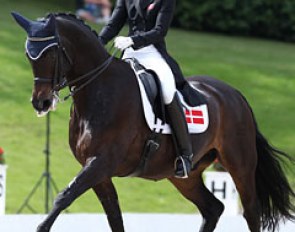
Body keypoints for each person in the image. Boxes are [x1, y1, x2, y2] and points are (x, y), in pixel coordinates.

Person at [98, 0, 192, 178]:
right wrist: (96, 43)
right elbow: (113, 25)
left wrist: (133, 39)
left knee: (166, 90)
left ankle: (185, 155)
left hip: (152, 52)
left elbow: (159, 31)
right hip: (130, 52)